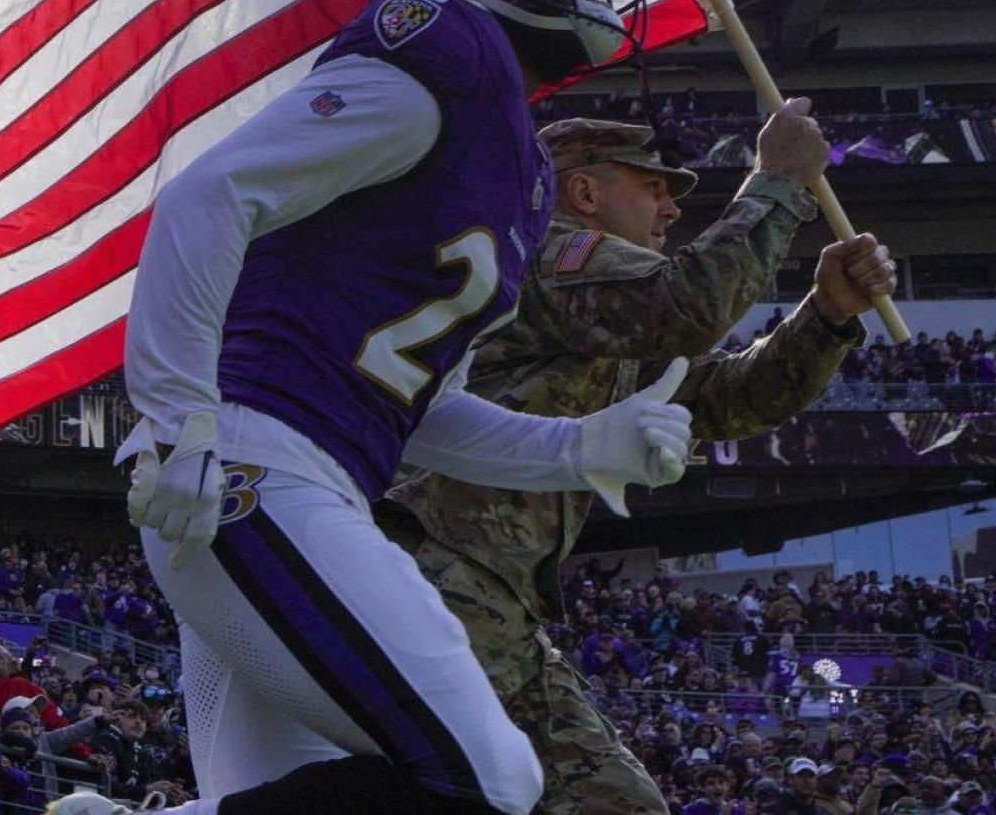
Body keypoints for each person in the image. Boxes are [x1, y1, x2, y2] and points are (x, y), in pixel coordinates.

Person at [98, 0, 695, 815]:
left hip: (297, 483)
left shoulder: (519, 166)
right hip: (253, 473)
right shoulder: (445, 50)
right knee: (490, 780)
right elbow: (209, 196)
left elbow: (418, 407)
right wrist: (180, 418)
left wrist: (581, 448)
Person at [378, 113, 887, 815]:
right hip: (440, 580)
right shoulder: (548, 256)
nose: (672, 207)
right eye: (653, 187)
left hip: (496, 602)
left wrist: (826, 315)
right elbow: (689, 305)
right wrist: (776, 184)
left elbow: (726, 401)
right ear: (584, 192)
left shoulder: (606, 316)